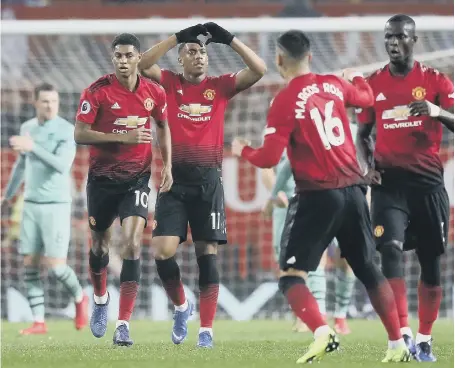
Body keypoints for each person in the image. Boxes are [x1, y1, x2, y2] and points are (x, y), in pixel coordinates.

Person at [231, 30, 410, 363]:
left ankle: (322, 330)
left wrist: (243, 151)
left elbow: (269, 158)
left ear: (279, 59)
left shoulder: (284, 100)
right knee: (369, 270)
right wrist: (356, 75)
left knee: (290, 276)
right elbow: (367, 99)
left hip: (317, 195)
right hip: (355, 190)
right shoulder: (334, 84)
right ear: (310, 57)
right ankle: (397, 343)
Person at [139, 22, 267, 348]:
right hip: (173, 182)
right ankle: (182, 306)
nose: (199, 57)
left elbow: (259, 69)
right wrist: (177, 37)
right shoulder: (168, 82)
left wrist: (230, 40)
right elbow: (141, 64)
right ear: (180, 59)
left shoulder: (221, 86)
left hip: (209, 183)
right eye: (191, 52)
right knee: (162, 251)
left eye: (203, 52)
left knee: (206, 254)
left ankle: (206, 330)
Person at [356, 14, 454, 362]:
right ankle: (403, 334)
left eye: (399, 37)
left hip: (428, 185)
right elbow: (362, 135)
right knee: (390, 252)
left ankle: (425, 339)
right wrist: (366, 167)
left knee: (431, 264)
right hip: (388, 185)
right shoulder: (372, 84)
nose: (393, 43)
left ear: (414, 40)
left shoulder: (435, 81)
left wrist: (435, 110)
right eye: (388, 38)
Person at [74, 33, 172, 346]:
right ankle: (100, 299)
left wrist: (167, 164)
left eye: (129, 55)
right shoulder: (98, 91)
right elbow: (80, 133)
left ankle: (124, 324)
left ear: (138, 57)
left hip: (137, 180)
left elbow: (163, 125)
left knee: (132, 243)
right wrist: (122, 139)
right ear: (113, 58)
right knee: (100, 247)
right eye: (118, 55)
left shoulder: (154, 92)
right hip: (102, 180)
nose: (123, 61)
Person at [2, 83, 88, 335]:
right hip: (30, 204)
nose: (50, 105)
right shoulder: (27, 128)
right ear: (36, 103)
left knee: (57, 266)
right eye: (45, 101)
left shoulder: (66, 130)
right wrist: (7, 196)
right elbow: (21, 164)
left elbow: (61, 165)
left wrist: (33, 148)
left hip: (56, 206)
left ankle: (79, 296)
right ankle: (39, 321)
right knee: (29, 263)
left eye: (54, 101)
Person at [262, 156, 356, 335]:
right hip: (289, 205)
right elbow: (265, 166)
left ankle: (340, 316)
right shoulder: (274, 131)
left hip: (328, 196)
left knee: (346, 257)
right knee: (295, 263)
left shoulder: (342, 131)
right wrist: (275, 193)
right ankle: (311, 314)